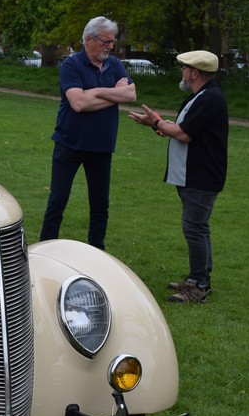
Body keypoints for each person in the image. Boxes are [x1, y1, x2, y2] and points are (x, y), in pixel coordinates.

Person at [128, 51, 228, 304]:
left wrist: (157, 122)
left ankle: (199, 286)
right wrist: (157, 124)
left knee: (194, 228)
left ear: (195, 73)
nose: (182, 72)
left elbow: (184, 134)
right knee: (198, 228)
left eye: (184, 68)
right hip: (193, 175)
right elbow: (182, 129)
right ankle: (198, 280)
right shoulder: (200, 97)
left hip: (201, 176)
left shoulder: (210, 99)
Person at [39, 16, 136, 251]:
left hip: (101, 146)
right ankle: (44, 248)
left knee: (100, 204)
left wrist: (96, 93)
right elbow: (78, 104)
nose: (110, 46)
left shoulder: (115, 65)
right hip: (69, 143)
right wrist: (113, 94)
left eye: (112, 42)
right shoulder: (72, 65)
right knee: (58, 201)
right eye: (105, 41)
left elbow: (131, 95)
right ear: (88, 40)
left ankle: (97, 252)